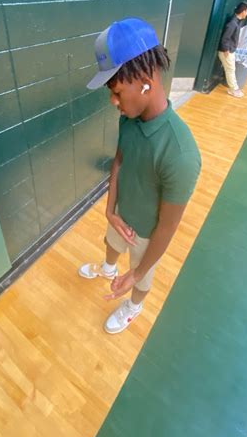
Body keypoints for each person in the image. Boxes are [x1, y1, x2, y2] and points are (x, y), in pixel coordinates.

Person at [79, 18, 201, 334]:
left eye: (117, 91)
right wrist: (110, 211)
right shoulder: (129, 120)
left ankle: (134, 306)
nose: (113, 101)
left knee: (142, 276)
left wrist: (135, 274)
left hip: (147, 235)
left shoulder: (180, 154)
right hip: (121, 214)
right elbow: (119, 162)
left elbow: (168, 227)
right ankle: (108, 268)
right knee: (111, 242)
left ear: (145, 81)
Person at [218, 2, 247, 98]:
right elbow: (225, 38)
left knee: (230, 69)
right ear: (243, 11)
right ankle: (234, 89)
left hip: (229, 50)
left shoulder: (235, 22)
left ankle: (233, 88)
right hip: (227, 52)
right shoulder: (233, 23)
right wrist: (226, 50)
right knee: (230, 70)